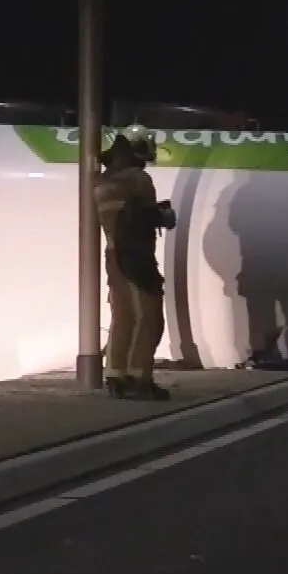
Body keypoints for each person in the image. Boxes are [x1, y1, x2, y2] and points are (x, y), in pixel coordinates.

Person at [94, 125, 177, 400]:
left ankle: (115, 376)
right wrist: (163, 215)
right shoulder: (139, 179)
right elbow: (144, 218)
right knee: (148, 316)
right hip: (137, 255)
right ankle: (139, 378)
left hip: (113, 254)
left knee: (123, 316)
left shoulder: (102, 182)